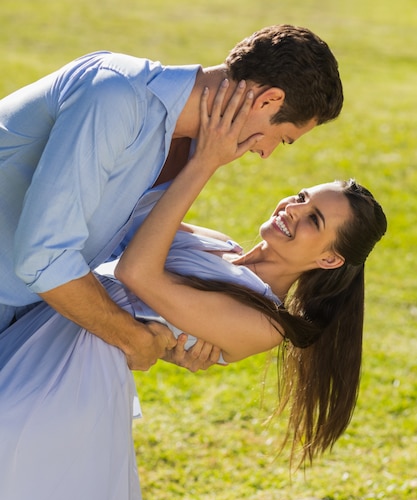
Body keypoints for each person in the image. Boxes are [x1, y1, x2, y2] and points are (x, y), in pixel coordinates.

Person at [0, 83, 386, 500]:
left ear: (327, 260)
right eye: (303, 197)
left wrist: (205, 163)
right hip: (43, 337)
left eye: (314, 221)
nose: (293, 211)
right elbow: (123, 227)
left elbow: (137, 271)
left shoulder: (263, 321)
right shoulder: (223, 247)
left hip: (65, 386)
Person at [0, 24, 344, 373]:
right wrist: (131, 337)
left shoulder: (199, 148)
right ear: (268, 100)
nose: (267, 152)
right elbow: (43, 256)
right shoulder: (114, 96)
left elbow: (109, 244)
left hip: (26, 316)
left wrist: (178, 333)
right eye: (282, 138)